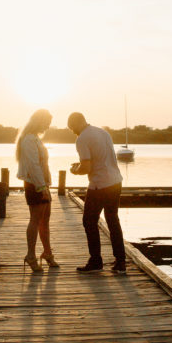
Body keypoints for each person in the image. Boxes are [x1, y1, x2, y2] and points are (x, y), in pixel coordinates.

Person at [67, 112, 127, 273]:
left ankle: (96, 261)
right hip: (115, 181)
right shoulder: (102, 132)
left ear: (77, 123)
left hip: (99, 185)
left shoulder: (82, 138)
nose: (73, 131)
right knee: (113, 221)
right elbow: (100, 159)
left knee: (89, 221)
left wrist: (75, 170)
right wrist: (81, 165)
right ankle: (121, 262)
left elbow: (87, 168)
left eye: (72, 128)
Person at [15, 109, 59, 272]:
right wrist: (41, 187)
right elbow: (33, 165)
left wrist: (46, 185)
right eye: (47, 122)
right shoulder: (28, 140)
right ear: (39, 121)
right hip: (34, 185)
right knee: (35, 219)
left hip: (42, 184)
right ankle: (30, 255)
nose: (48, 126)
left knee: (45, 220)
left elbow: (42, 165)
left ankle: (47, 252)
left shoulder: (36, 139)